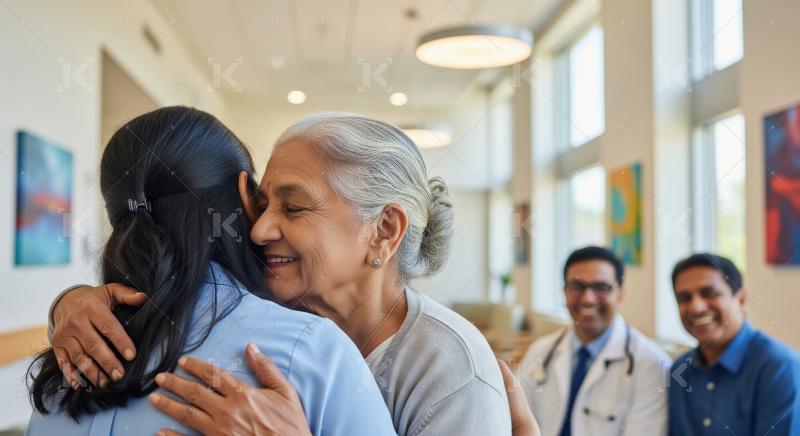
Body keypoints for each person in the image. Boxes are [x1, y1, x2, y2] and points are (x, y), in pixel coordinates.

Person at [46, 112, 513, 435]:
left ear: (384, 230)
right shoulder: (274, 314)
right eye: (261, 204)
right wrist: (70, 303)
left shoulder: (450, 370)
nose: (261, 229)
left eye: (293, 206)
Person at [516, 246, 670, 436]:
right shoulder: (540, 352)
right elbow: (518, 423)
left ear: (621, 295)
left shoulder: (652, 365)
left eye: (601, 288)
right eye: (577, 287)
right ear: (565, 292)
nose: (588, 299)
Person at [669, 253, 800, 435]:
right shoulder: (679, 371)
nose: (696, 307)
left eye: (709, 293)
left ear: (740, 300)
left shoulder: (780, 368)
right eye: (684, 298)